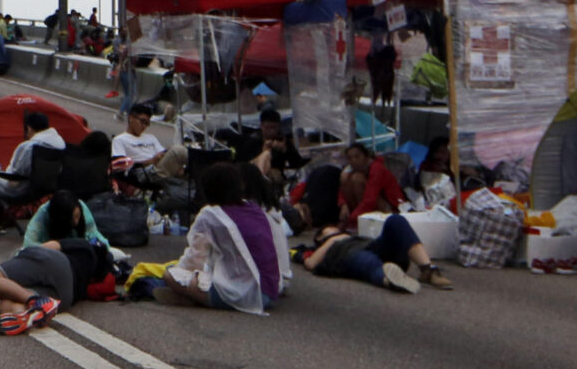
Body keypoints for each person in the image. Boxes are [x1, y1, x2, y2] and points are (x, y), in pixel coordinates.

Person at [153, 163, 289, 313]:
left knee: (170, 275)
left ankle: (193, 298)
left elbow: (194, 259)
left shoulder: (210, 214)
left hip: (245, 295)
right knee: (208, 270)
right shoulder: (255, 209)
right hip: (271, 291)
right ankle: (195, 297)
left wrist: (178, 271)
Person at [0, 190, 113, 335]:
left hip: (56, 262)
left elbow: (47, 246)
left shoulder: (82, 244)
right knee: (3, 304)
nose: (76, 222)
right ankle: (23, 313)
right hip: (68, 295)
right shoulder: (91, 261)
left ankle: (34, 301)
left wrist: (21, 259)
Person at [297, 215, 454, 292]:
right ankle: (390, 279)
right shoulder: (321, 247)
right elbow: (310, 263)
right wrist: (332, 240)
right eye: (329, 230)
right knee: (368, 263)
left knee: (395, 220)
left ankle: (428, 270)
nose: (335, 230)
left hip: (372, 246)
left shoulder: (352, 237)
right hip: (348, 255)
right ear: (319, 237)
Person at [0, 108, 68, 211]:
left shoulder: (29, 147)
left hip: (21, 190)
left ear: (29, 128)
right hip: (43, 190)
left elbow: (15, 174)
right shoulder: (60, 145)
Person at [111, 103, 171, 192]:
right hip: (141, 173)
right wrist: (151, 161)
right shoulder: (120, 140)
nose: (144, 126)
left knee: (179, 152)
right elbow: (120, 166)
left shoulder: (151, 137)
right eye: (142, 121)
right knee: (179, 151)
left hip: (160, 168)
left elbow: (163, 153)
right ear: (131, 118)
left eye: (147, 123)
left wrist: (162, 156)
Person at [343, 141, 404, 220]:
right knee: (346, 178)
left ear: (366, 156)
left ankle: (360, 218)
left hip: (393, 207)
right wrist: (343, 204)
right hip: (373, 203)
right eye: (350, 158)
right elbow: (343, 187)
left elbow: (370, 199)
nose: (354, 161)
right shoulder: (356, 170)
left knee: (357, 179)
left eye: (357, 157)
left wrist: (352, 219)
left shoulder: (376, 169)